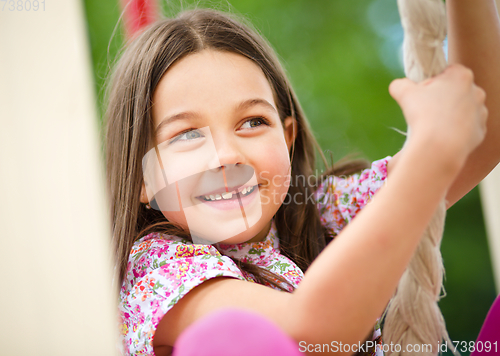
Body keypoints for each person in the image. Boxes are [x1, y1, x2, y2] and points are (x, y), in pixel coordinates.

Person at [104, 3, 500, 356]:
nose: (226, 157)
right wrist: (429, 153)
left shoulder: (317, 209)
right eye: (187, 134)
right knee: (230, 339)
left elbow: (480, 141)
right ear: (142, 179)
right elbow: (310, 331)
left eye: (252, 122)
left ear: (288, 139)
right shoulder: (156, 269)